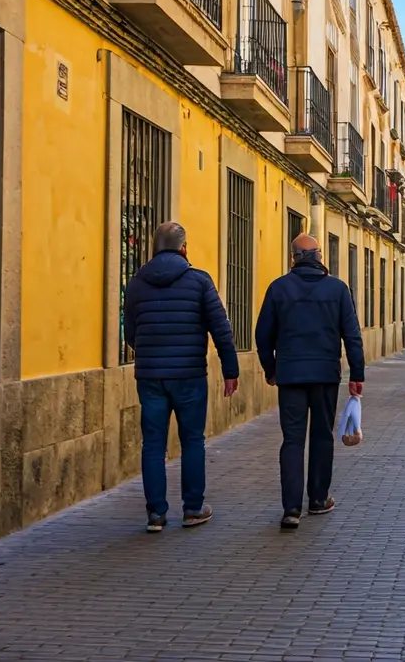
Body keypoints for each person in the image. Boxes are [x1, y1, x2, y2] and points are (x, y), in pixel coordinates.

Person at [123, 221, 239, 533]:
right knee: (192, 441)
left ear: (155, 248)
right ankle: (192, 508)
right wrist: (231, 371)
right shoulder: (199, 281)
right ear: (183, 248)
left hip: (150, 377)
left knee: (153, 445)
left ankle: (156, 514)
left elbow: (130, 332)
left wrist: (149, 351)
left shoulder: (136, 283)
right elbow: (221, 329)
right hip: (189, 376)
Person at [256, 233, 365, 530]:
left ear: (293, 258)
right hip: (325, 376)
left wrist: (271, 369)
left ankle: (291, 509)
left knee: (292, 440)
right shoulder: (338, 289)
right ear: (319, 256)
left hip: (290, 376)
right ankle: (318, 499)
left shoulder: (278, 288)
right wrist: (357, 374)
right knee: (321, 436)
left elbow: (262, 335)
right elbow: (352, 335)